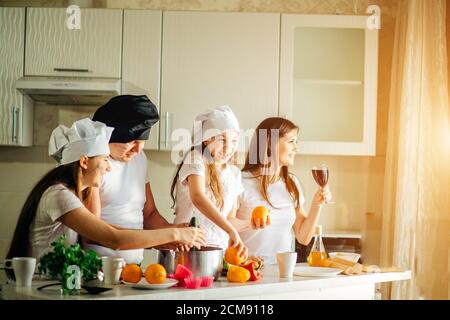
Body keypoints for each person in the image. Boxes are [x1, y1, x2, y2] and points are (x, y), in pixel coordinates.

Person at [5, 118, 205, 266]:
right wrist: (176, 233)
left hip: (54, 287)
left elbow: (114, 231)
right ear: (84, 161)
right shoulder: (58, 195)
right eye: (105, 160)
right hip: (41, 290)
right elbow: (112, 238)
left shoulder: (68, 193)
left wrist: (167, 238)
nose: (109, 168)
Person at [85, 95, 188, 264]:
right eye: (132, 141)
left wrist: (175, 231)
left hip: (133, 268)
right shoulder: (95, 164)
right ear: (110, 135)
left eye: (142, 141)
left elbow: (149, 214)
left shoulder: (140, 159)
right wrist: (167, 235)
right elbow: (93, 232)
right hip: (99, 268)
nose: (138, 149)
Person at [231, 117, 332, 264]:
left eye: (296, 142)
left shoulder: (291, 183)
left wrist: (317, 205)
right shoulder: (240, 181)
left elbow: (303, 237)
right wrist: (249, 224)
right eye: (291, 141)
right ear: (270, 144)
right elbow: (226, 224)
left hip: (284, 273)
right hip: (248, 272)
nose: (296, 148)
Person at [171, 106, 247, 258]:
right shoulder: (195, 159)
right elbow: (198, 196)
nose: (229, 148)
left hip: (219, 254)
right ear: (207, 139)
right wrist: (230, 230)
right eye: (222, 140)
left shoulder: (234, 173)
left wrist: (246, 228)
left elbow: (229, 219)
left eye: (234, 141)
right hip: (188, 249)